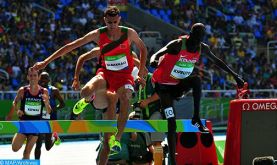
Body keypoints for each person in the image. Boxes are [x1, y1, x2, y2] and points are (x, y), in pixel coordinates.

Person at [32, 6, 147, 164]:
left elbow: (143, 51)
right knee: (85, 91)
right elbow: (72, 46)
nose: (112, 25)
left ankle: (117, 139)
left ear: (119, 19)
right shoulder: (98, 36)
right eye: (109, 22)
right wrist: (46, 62)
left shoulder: (129, 34)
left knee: (124, 102)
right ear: (104, 20)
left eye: (115, 22)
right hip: (105, 77)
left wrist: (141, 74)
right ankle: (87, 100)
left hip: (123, 81)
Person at [150, 23, 245, 164]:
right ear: (190, 34)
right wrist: (154, 61)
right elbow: (156, 54)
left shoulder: (202, 47)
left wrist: (235, 76)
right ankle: (173, 162)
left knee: (196, 80)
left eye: (199, 39)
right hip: (163, 89)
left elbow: (218, 62)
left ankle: (196, 118)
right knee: (171, 123)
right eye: (194, 38)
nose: (196, 43)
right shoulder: (177, 44)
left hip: (177, 87)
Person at [11, 68, 51, 159]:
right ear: (28, 77)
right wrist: (17, 110)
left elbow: (49, 111)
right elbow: (14, 102)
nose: (33, 77)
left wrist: (46, 103)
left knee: (26, 153)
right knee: (15, 148)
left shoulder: (44, 91)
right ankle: (22, 137)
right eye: (31, 75)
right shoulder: (23, 90)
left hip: (36, 125)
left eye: (35, 75)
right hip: (24, 124)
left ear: (38, 77)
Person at [133, 72, 164, 164]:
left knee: (157, 142)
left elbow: (161, 93)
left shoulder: (153, 78)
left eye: (137, 81)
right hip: (144, 115)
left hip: (155, 112)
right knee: (148, 144)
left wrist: (147, 101)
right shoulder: (138, 84)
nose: (136, 83)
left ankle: (158, 163)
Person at [34, 71, 65, 159]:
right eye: (41, 78)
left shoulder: (54, 90)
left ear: (49, 80)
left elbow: (63, 104)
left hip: (50, 119)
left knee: (47, 147)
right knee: (38, 144)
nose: (43, 80)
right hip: (39, 119)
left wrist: (53, 109)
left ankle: (55, 137)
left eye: (45, 78)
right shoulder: (35, 89)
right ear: (38, 79)